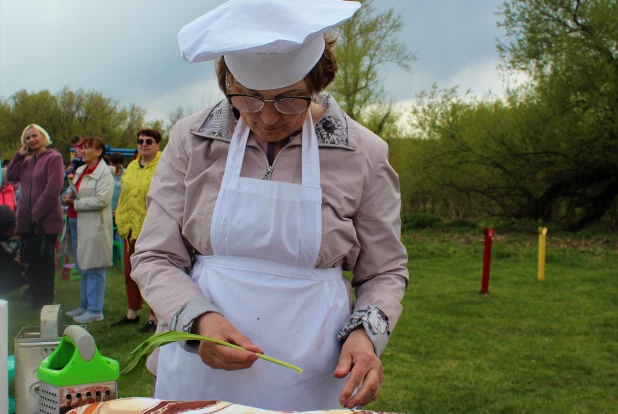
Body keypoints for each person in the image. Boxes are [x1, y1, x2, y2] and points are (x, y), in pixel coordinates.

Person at [131, 0, 409, 411]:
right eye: (247, 98)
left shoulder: (362, 152)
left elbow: (384, 271)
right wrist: (198, 323)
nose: (266, 118)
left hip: (311, 372)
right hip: (201, 366)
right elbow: (154, 255)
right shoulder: (193, 139)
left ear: (316, 81)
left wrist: (366, 336)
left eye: (288, 100)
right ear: (228, 81)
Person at [6, 124, 64, 309]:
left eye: (34, 136)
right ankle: (36, 299)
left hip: (45, 220)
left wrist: (36, 213)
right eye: (27, 138)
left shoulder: (53, 158)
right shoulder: (27, 162)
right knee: (31, 261)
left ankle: (45, 301)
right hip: (27, 221)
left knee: (44, 262)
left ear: (43, 137)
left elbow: (53, 189)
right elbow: (11, 174)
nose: (31, 140)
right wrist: (19, 154)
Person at [112, 129, 161, 332]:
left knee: (151, 274)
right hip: (129, 229)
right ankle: (132, 312)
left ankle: (155, 316)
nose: (143, 144)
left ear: (158, 144)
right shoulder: (132, 166)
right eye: (140, 140)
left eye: (149, 141)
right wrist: (120, 217)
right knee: (129, 272)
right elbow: (124, 194)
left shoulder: (164, 165)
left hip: (152, 229)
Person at [62, 137, 114, 323]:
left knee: (95, 267)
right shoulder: (80, 171)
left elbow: (103, 200)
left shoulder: (105, 174)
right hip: (78, 223)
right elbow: (79, 191)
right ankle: (84, 305)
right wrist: (68, 196)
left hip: (95, 226)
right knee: (83, 265)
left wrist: (76, 203)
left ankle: (95, 309)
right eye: (82, 148)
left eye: (88, 148)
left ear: (99, 152)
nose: (82, 151)